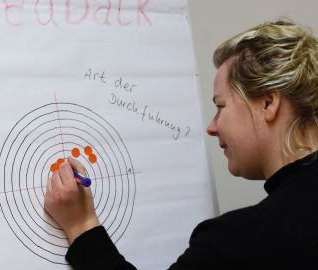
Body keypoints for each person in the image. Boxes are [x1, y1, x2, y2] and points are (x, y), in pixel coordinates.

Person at [44, 19, 318, 269]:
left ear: (268, 103)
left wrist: (81, 225)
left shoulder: (240, 241)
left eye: (220, 106)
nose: (211, 127)